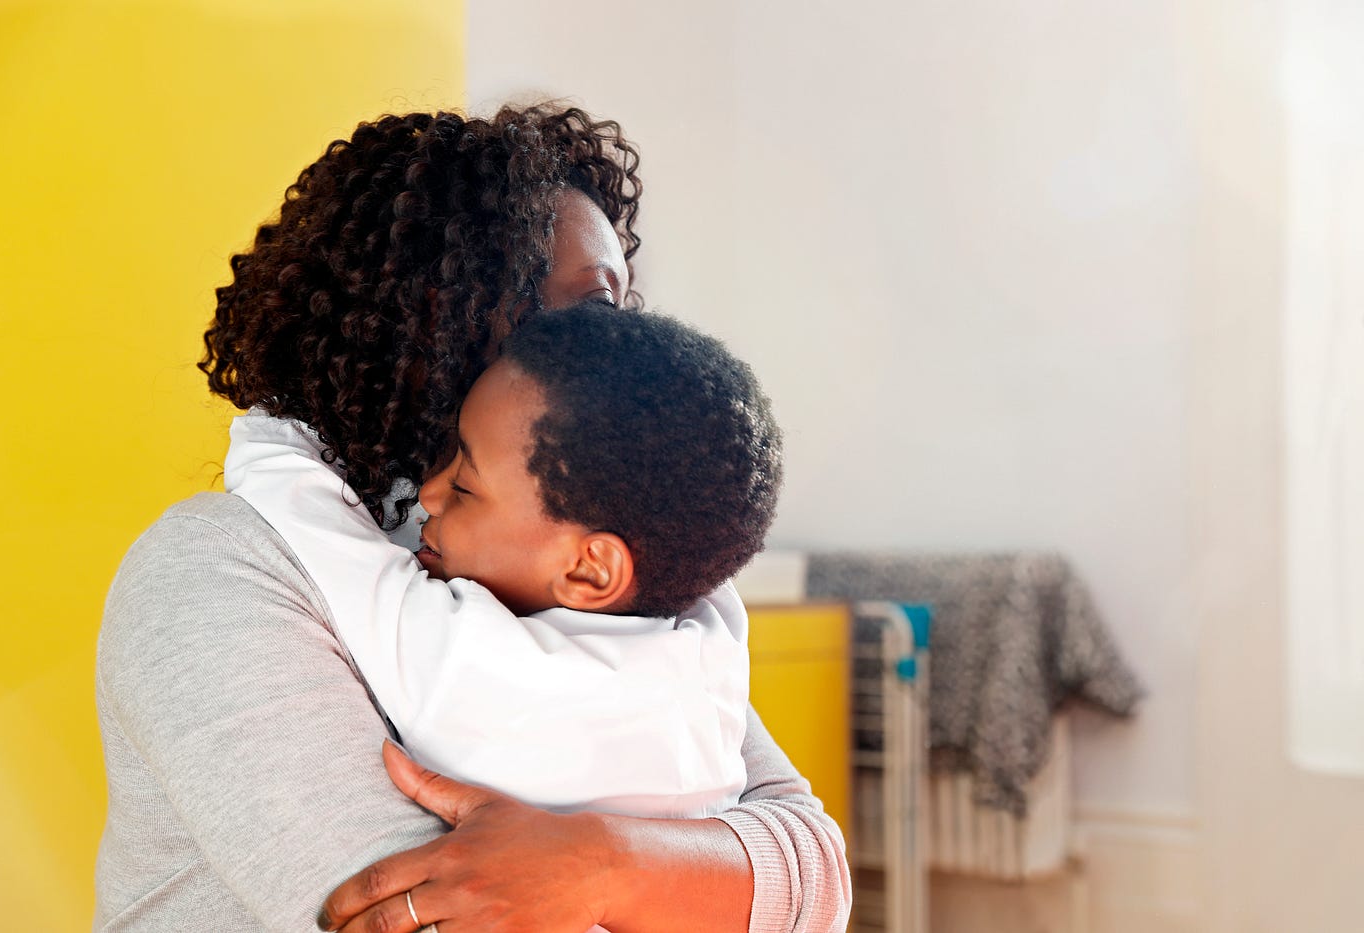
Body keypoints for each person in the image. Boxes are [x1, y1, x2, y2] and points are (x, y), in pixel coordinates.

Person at [95, 105, 850, 933]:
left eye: (616, 310)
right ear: (431, 322)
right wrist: (682, 882)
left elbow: (814, 873)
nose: (620, 350)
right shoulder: (220, 569)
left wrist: (597, 862)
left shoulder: (583, 560)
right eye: (586, 313)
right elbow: (405, 913)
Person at [225, 304, 781, 831]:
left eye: (465, 486)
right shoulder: (713, 635)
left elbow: (281, 476)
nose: (429, 493)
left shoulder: (469, 663)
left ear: (591, 571)